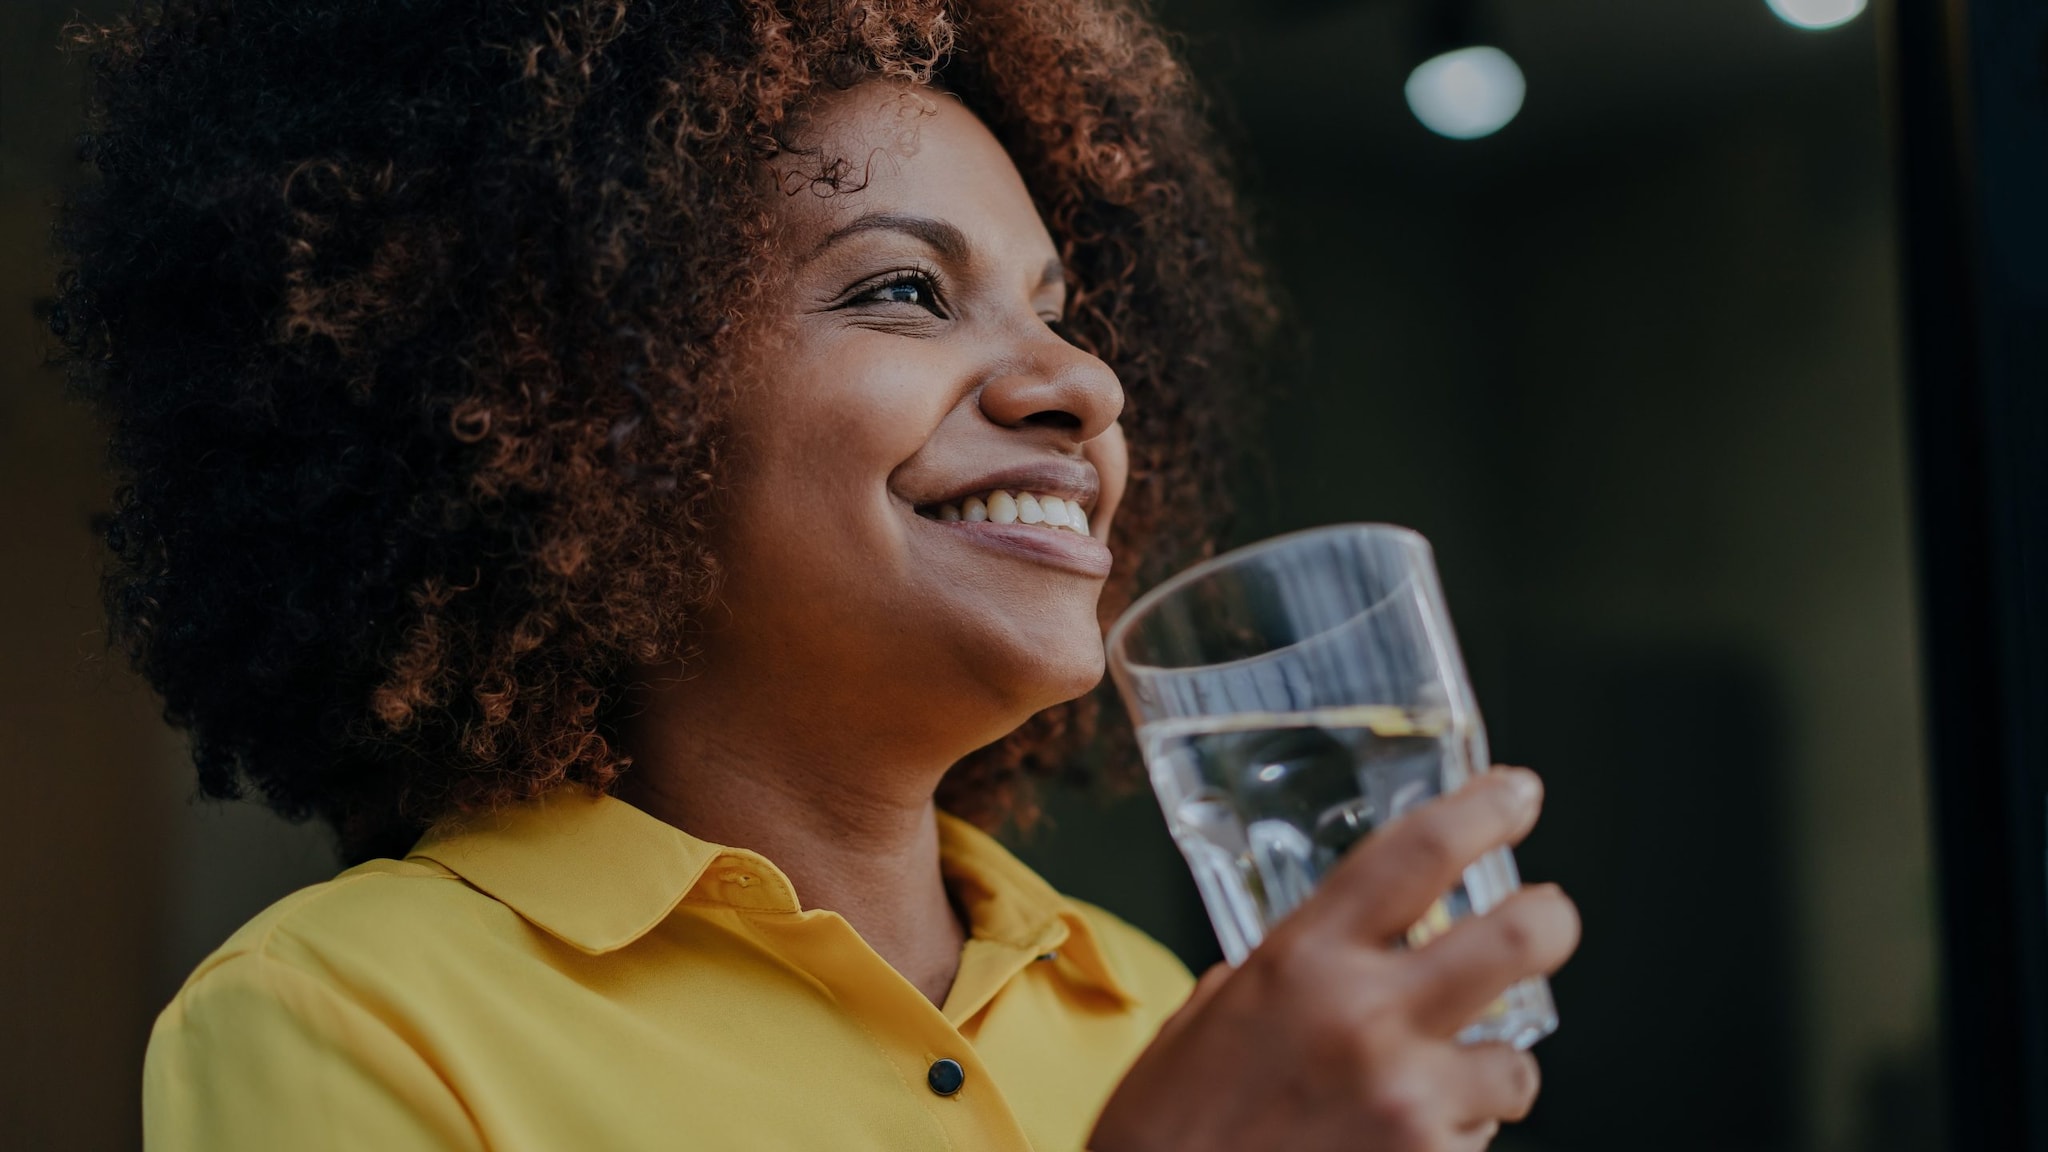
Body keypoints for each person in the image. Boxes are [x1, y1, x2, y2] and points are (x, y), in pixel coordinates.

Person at [53, 1, 1579, 1148]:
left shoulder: (1144, 995)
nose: (1081, 385)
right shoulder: (348, 1015)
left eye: (1062, 309)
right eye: (908, 290)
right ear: (577, 405)